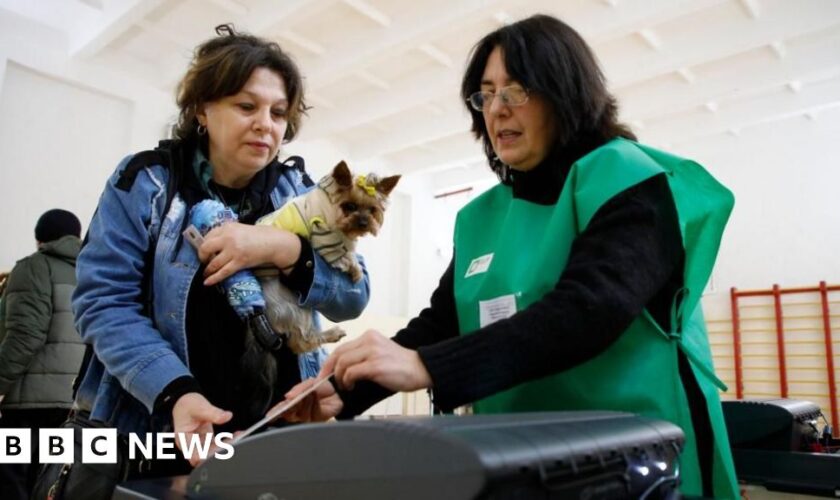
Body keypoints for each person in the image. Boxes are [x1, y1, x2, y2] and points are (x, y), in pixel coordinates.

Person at [281, 14, 739, 498]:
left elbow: (589, 309)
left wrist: (429, 366)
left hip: (639, 459)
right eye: (486, 94)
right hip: (526, 460)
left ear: (565, 92)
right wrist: (348, 390)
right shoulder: (484, 216)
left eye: (516, 90)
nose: (496, 110)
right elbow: (443, 323)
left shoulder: (629, 178)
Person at [43, 24, 369, 494]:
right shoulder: (147, 183)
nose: (266, 124)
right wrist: (176, 392)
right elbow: (102, 303)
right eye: (246, 106)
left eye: (279, 112)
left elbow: (355, 294)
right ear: (202, 108)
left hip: (269, 438)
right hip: (154, 433)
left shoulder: (300, 192)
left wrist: (283, 249)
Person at [0, 209, 85, 500]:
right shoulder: (92, 272)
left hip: (30, 407)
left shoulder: (33, 268)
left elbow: (25, 336)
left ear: (40, 239)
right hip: (75, 406)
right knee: (51, 486)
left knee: (13, 484)